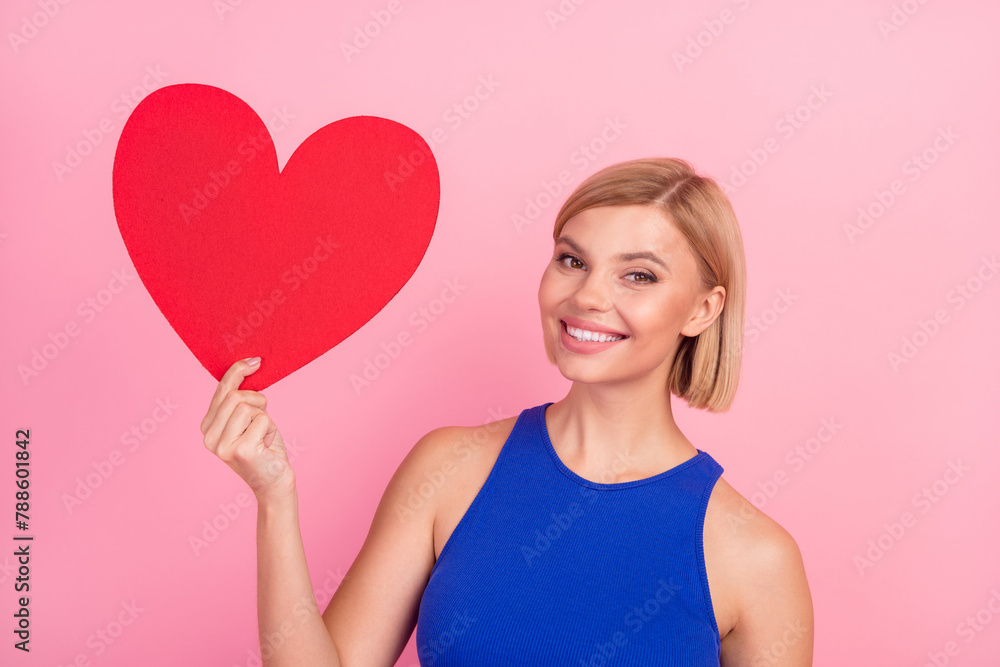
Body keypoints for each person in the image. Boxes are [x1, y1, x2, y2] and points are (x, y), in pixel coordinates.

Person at [201, 157, 814, 666]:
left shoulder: (756, 558)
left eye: (638, 275)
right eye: (573, 261)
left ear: (703, 311)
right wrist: (274, 497)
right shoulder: (449, 467)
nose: (588, 296)